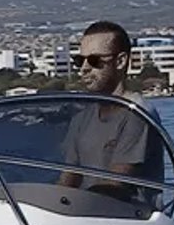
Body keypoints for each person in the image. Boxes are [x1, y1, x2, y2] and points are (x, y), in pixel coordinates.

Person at [58, 20, 159, 201]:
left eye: (94, 60)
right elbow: (69, 178)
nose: (84, 68)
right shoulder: (81, 117)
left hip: (128, 220)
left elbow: (116, 184)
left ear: (120, 61)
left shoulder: (137, 114)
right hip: (83, 215)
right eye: (80, 60)